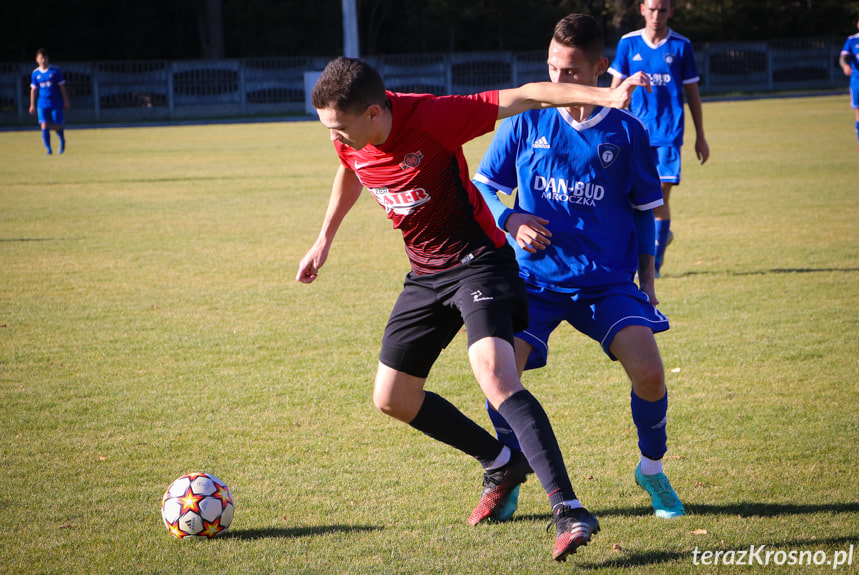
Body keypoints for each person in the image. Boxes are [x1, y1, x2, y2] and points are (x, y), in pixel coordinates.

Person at [297, 56, 650, 561]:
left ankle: (570, 509)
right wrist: (323, 240)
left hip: (480, 263)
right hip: (424, 274)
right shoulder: (350, 137)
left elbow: (527, 94)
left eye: (341, 127)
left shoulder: (434, 118)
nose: (335, 137)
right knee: (392, 397)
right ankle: (500, 461)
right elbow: (350, 168)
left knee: (496, 375)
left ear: (374, 113)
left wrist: (606, 97)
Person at [473, 13, 685, 524]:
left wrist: (648, 282)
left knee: (651, 374)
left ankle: (651, 468)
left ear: (600, 67)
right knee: (499, 377)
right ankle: (510, 473)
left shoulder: (628, 131)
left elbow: (643, 213)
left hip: (605, 282)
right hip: (533, 281)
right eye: (551, 67)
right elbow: (482, 183)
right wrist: (511, 214)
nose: (557, 80)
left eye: (569, 70)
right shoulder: (527, 120)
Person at [608, 0, 709, 277]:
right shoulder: (628, 44)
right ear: (642, 9)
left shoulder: (681, 45)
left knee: (659, 198)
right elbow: (613, 91)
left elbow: (692, 93)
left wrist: (701, 136)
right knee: (632, 200)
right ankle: (651, 244)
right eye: (651, 9)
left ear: (670, 12)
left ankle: (656, 264)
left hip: (669, 135)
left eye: (662, 10)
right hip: (635, 136)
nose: (656, 15)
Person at [29, 48, 70, 155]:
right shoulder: (35, 73)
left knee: (56, 125)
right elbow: (34, 90)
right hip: (42, 103)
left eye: (45, 58)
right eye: (41, 58)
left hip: (55, 102)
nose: (43, 60)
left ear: (48, 59)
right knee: (44, 125)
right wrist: (32, 105)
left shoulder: (55, 71)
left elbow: (62, 87)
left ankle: (61, 139)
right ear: (37, 59)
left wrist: (65, 101)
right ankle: (49, 149)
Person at [840, 14, 859, 152]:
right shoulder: (852, 40)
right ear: (858, 25)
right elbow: (843, 57)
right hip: (858, 81)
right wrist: (845, 66)